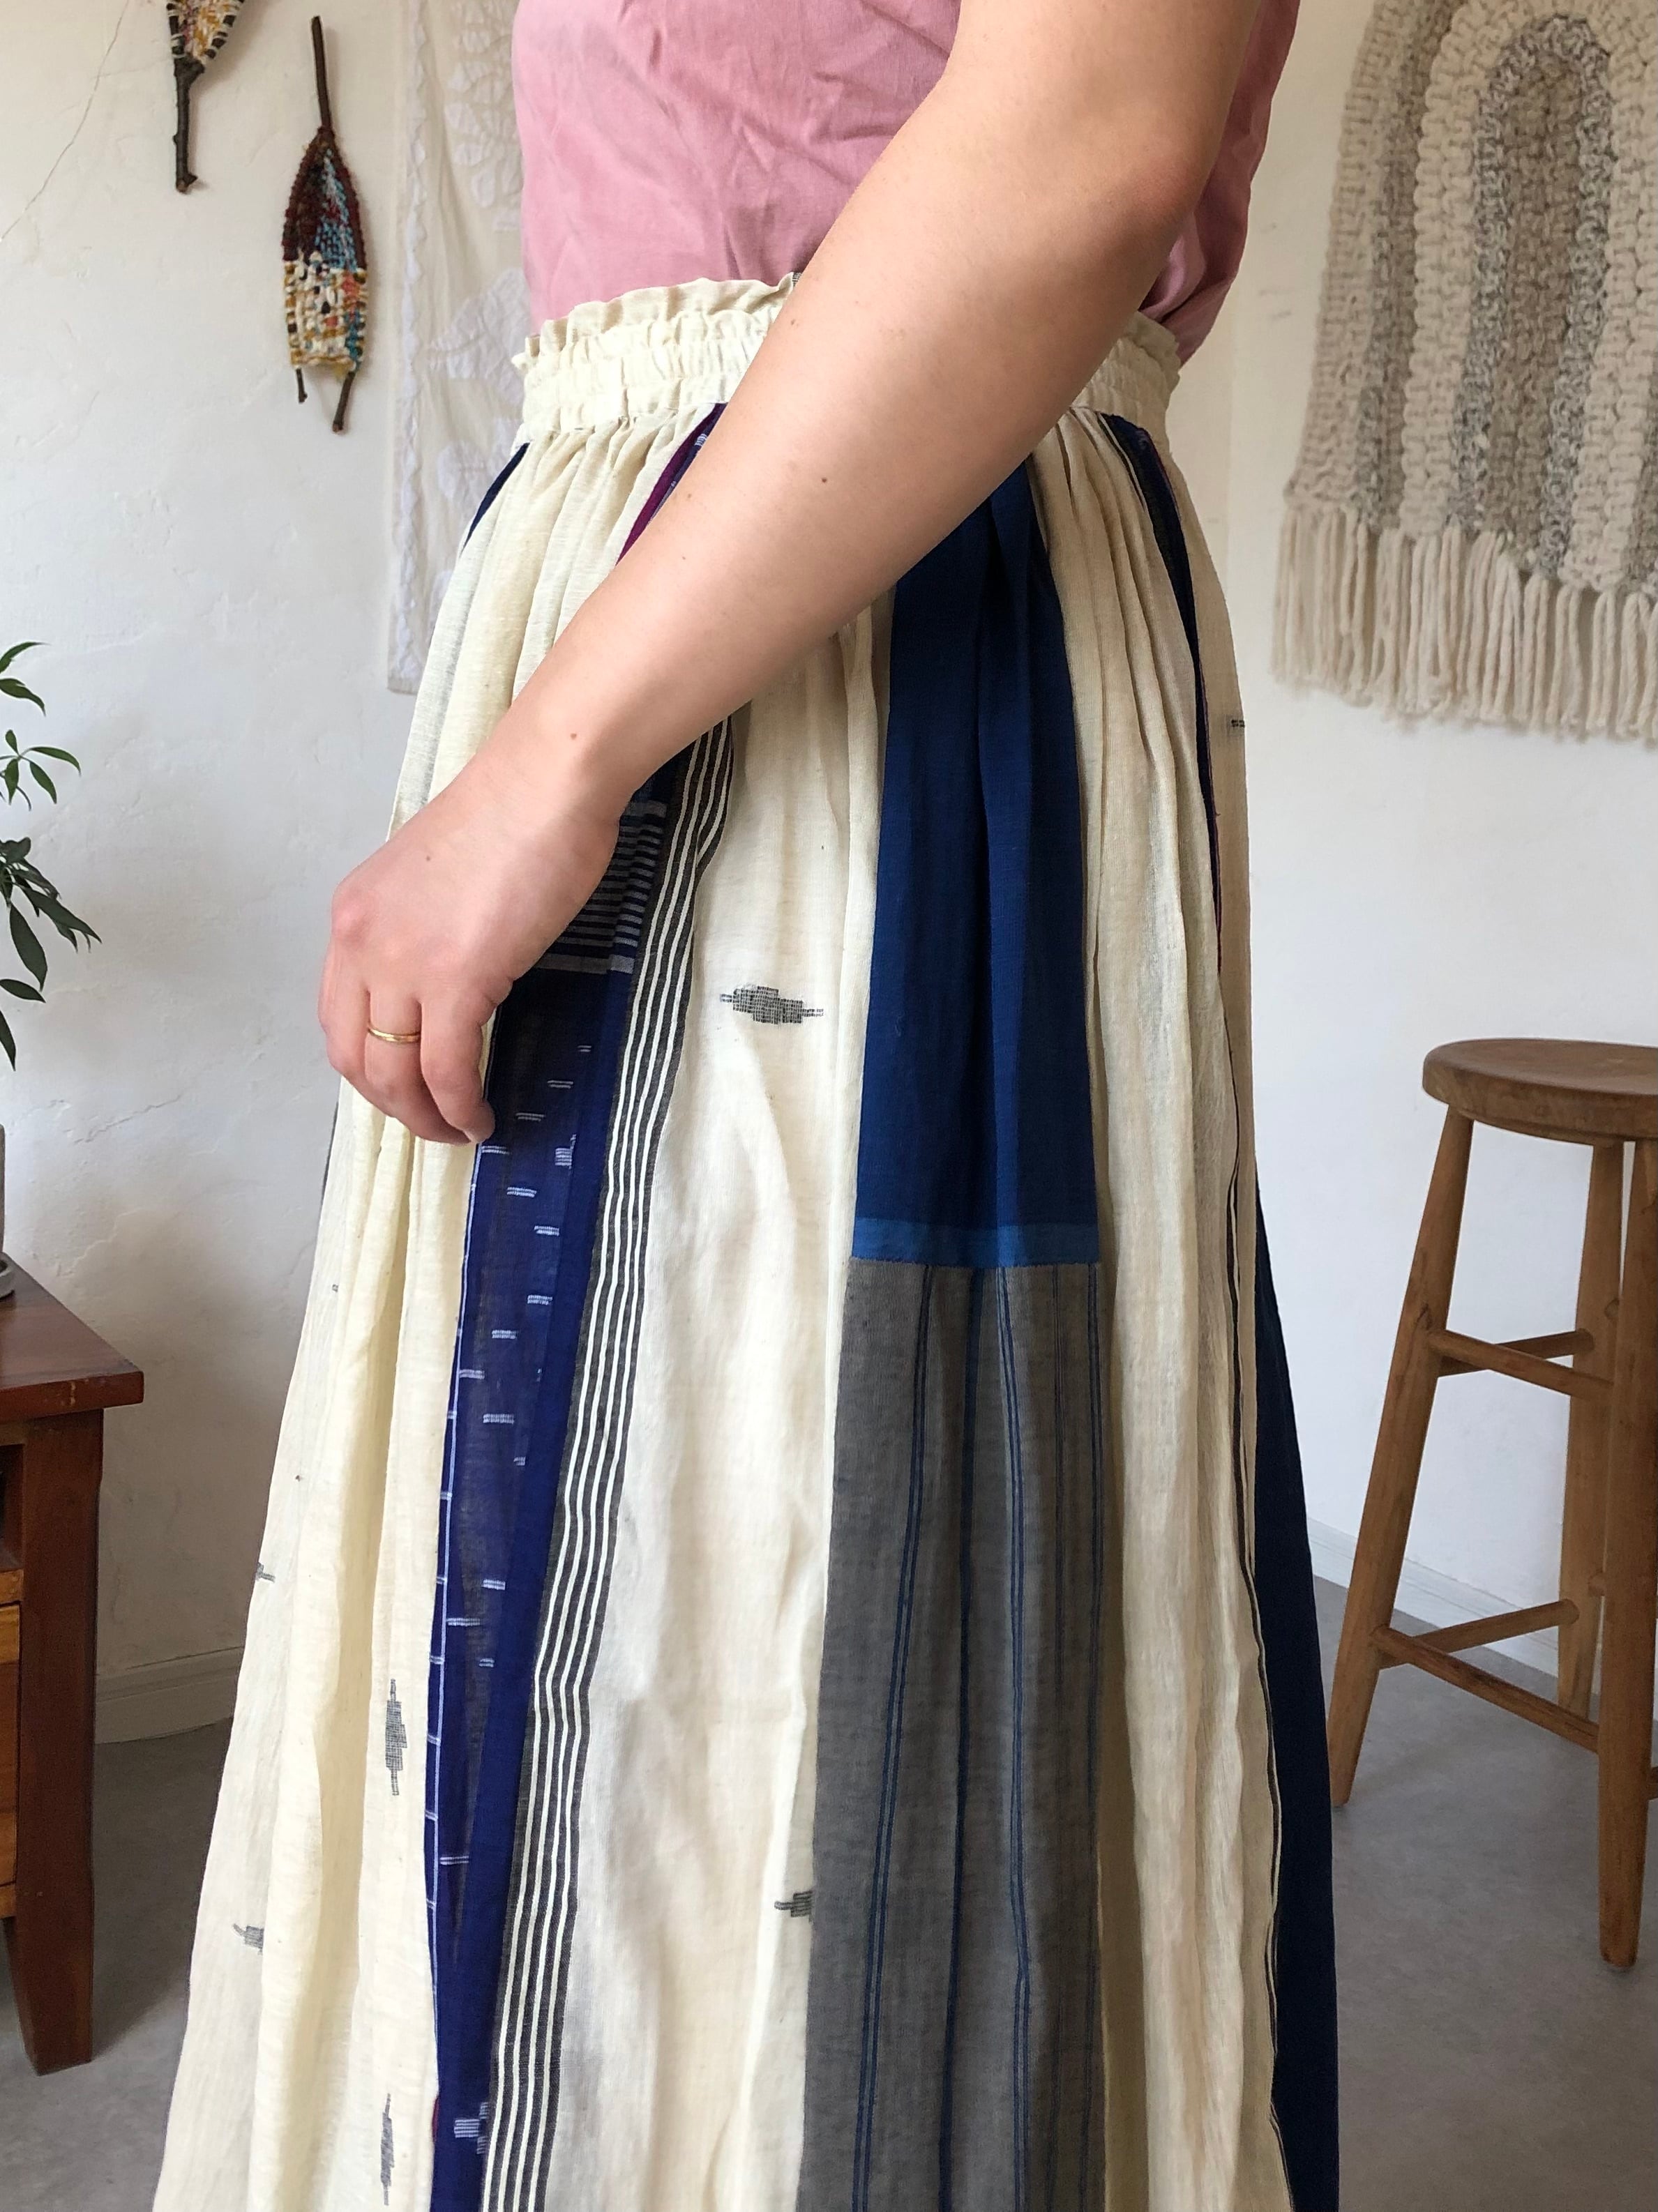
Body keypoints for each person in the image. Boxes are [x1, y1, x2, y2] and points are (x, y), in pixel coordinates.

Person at [157, 1, 1337, 2206]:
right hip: (710, 610)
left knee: (771, 1652)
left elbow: (1089, 132)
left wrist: (552, 758)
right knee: (569, 1668)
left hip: (880, 654)